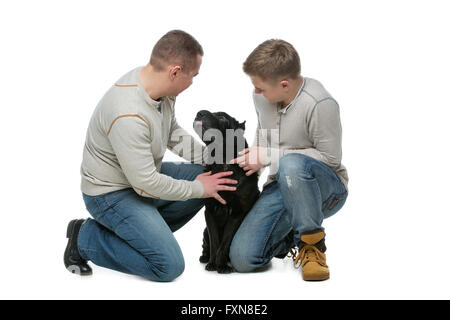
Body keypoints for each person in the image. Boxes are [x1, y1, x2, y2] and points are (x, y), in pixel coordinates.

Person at [64, 30, 238, 282]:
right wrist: (198, 189)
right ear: (175, 72)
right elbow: (145, 185)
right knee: (168, 266)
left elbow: (171, 131)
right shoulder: (128, 114)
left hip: (139, 177)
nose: (192, 83)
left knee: (212, 177)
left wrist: (215, 160)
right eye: (193, 76)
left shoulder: (158, 86)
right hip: (110, 194)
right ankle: (85, 238)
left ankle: (140, 234)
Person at [229, 39, 349, 281]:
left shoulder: (320, 104)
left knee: (291, 164)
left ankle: (311, 246)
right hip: (281, 185)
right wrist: (247, 173)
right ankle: (289, 236)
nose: (256, 93)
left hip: (326, 188)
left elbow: (331, 159)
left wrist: (268, 157)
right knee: (242, 259)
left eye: (260, 88)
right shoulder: (262, 97)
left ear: (284, 84)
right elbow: (264, 137)